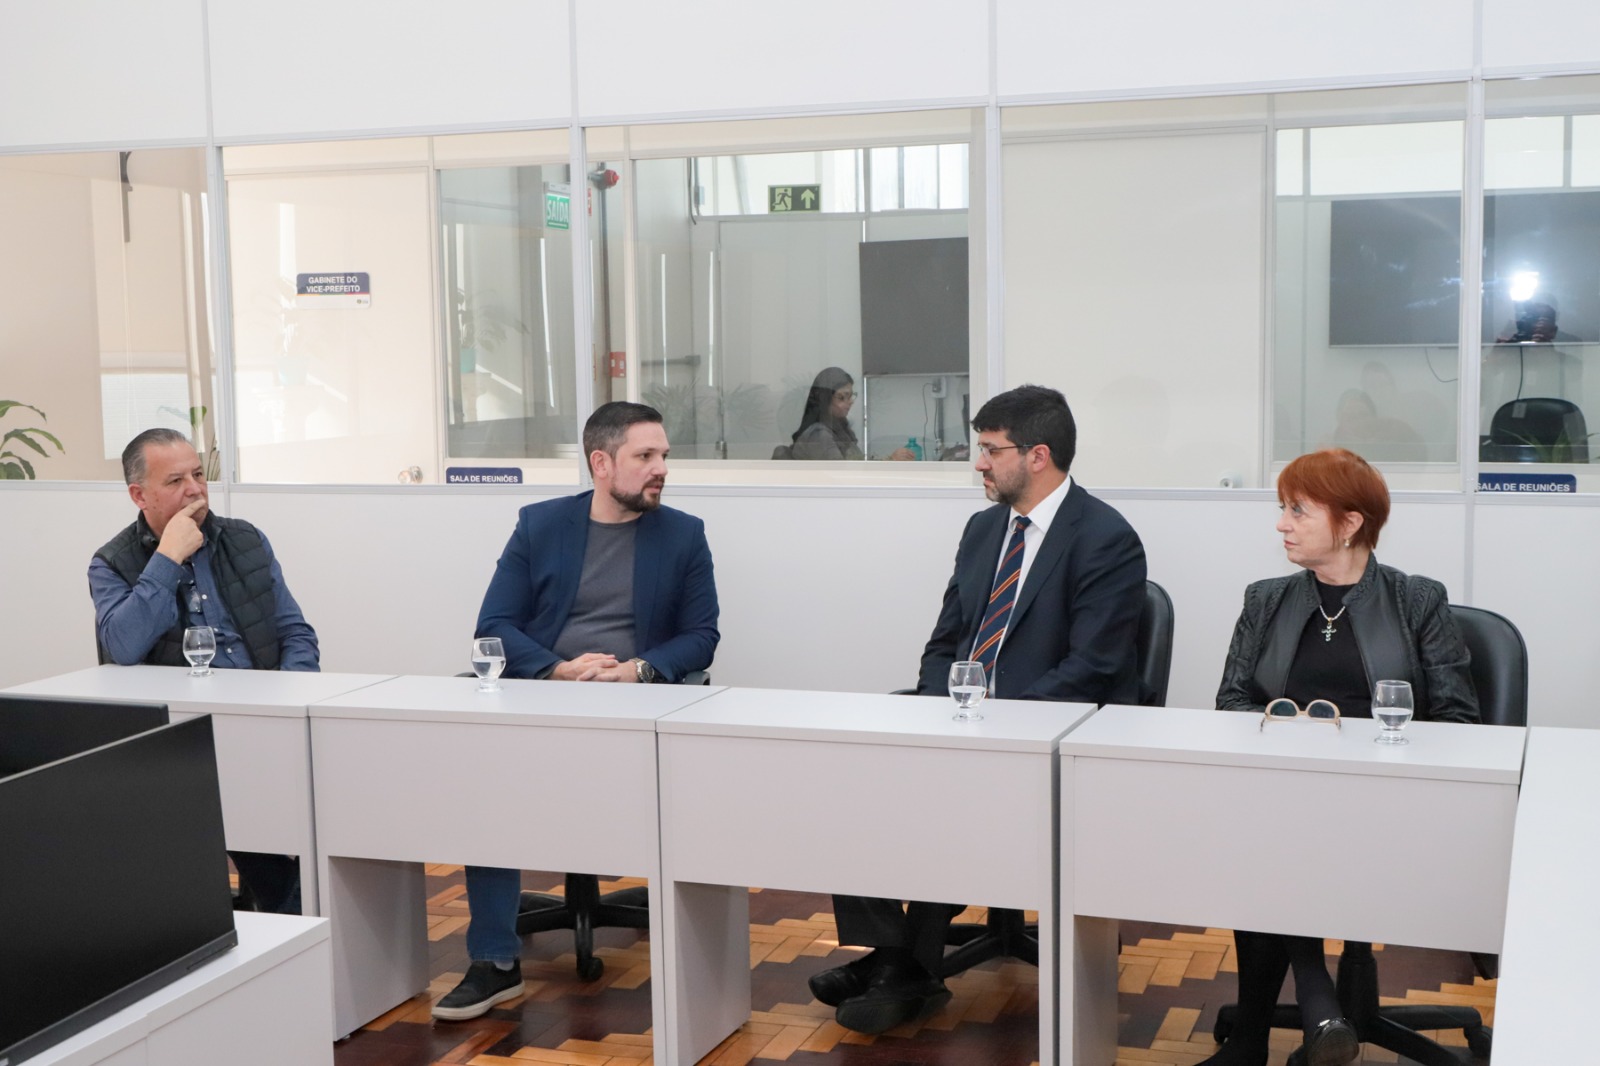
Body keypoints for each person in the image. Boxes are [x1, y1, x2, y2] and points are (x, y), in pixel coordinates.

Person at [811, 384, 1148, 1035]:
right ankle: (892, 954)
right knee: (849, 751)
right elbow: (947, 640)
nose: (980, 463)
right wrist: (945, 707)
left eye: (991, 450)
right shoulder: (982, 528)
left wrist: (991, 717)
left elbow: (1094, 670)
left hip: (1047, 731)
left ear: (1038, 455)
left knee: (946, 786)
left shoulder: (1106, 538)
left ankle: (900, 964)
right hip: (967, 716)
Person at [433, 400, 719, 1022]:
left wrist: (635, 670)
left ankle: (698, 969)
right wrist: (558, 669)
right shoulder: (540, 525)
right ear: (600, 462)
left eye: (663, 456)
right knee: (484, 784)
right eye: (645, 457)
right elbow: (494, 625)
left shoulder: (684, 534)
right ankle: (495, 963)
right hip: (544, 697)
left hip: (634, 710)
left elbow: (702, 636)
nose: (660, 469)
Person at [1208, 447, 1478, 1066]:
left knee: (1275, 844)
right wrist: (1287, 734)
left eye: (1298, 510)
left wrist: (1353, 742)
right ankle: (1316, 1004)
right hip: (1286, 791)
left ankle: (1266, 1031)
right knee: (1274, 831)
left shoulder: (1417, 601)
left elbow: (1460, 721)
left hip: (1386, 797)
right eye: (1283, 509)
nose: (1282, 523)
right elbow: (1230, 703)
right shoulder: (1265, 600)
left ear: (1351, 523)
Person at [88, 427, 319, 914]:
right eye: (175, 481)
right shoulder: (112, 563)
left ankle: (290, 915)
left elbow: (296, 633)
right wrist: (167, 556)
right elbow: (122, 646)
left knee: (304, 830)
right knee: (235, 819)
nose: (195, 488)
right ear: (139, 495)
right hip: (185, 734)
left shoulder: (245, 540)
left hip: (264, 718)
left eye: (198, 474)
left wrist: (290, 699)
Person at [779, 366, 916, 461]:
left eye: (850, 396)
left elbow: (857, 465)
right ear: (825, 400)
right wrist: (890, 461)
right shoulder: (818, 435)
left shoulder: (840, 428)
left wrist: (890, 461)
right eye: (842, 397)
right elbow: (844, 476)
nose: (850, 402)